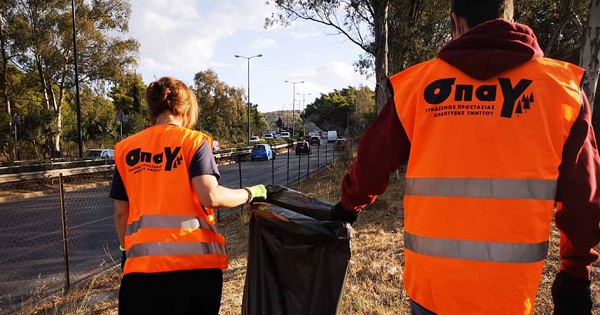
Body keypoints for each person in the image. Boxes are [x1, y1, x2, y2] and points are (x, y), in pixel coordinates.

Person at [331, 1, 600, 314]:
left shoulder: (419, 85)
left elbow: (373, 159)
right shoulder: (561, 89)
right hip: (509, 292)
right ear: (509, 19)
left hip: (432, 288)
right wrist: (575, 272)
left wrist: (350, 204)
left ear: (456, 23)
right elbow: (585, 195)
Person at [109, 76, 267, 315]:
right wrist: (249, 193)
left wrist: (127, 250)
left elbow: (121, 214)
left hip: (141, 272)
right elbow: (210, 196)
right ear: (185, 108)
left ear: (153, 109)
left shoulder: (126, 149)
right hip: (194, 273)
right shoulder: (193, 142)